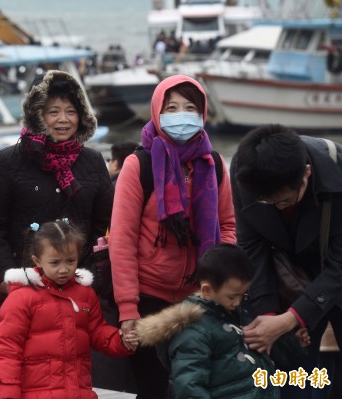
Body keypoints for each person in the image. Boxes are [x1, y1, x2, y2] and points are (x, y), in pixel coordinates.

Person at [109, 74, 236, 399]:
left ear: (203, 113)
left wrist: (218, 280)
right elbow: (121, 241)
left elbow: (228, 225)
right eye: (172, 107)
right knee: (152, 389)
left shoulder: (214, 165)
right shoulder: (139, 165)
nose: (181, 115)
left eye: (190, 107)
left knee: (195, 387)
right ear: (156, 111)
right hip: (148, 299)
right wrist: (127, 309)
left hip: (199, 298)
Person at [0, 69, 113, 294]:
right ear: (37, 115)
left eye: (71, 111)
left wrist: (89, 274)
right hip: (25, 285)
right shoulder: (9, 161)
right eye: (53, 112)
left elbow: (105, 225)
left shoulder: (93, 161)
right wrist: (6, 278)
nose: (63, 119)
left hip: (80, 283)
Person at [230, 124, 342, 398]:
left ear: (306, 173)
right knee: (292, 379)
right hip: (286, 278)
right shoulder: (245, 172)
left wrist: (291, 318)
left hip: (334, 270)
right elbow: (250, 245)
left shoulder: (338, 171)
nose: (278, 207)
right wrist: (269, 315)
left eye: (284, 201)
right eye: (266, 203)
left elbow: (340, 263)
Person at [134, 243, 305, 398]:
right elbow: (189, 385)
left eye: (243, 295)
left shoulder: (240, 312)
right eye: (232, 296)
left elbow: (266, 352)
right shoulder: (193, 331)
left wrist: (292, 341)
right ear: (207, 290)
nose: (238, 301)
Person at [0, 220, 138, 398]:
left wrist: (121, 340)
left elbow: (98, 332)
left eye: (71, 261)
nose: (64, 269)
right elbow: (8, 352)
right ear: (37, 261)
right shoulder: (21, 298)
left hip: (78, 392)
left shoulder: (85, 294)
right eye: (54, 263)